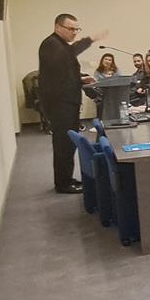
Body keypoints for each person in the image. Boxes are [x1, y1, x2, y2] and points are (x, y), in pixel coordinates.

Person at [37, 13, 107, 193]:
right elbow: (67, 56)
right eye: (71, 29)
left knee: (68, 144)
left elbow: (63, 73)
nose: (74, 33)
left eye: (77, 29)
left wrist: (81, 79)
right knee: (64, 144)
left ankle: (66, 178)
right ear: (57, 27)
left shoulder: (60, 46)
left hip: (66, 101)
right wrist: (90, 39)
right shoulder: (51, 44)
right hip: (59, 103)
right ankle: (63, 183)